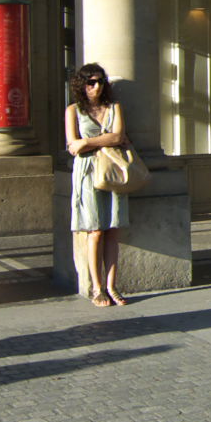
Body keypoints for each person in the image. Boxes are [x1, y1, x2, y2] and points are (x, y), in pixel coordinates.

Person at [65, 63, 130, 307]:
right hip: (88, 172)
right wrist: (99, 141)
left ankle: (113, 286)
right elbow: (73, 146)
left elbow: (118, 137)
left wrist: (88, 142)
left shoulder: (114, 107)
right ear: (81, 85)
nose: (97, 87)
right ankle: (97, 287)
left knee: (113, 230)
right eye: (91, 82)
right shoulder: (73, 111)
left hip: (113, 171)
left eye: (101, 81)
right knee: (95, 231)